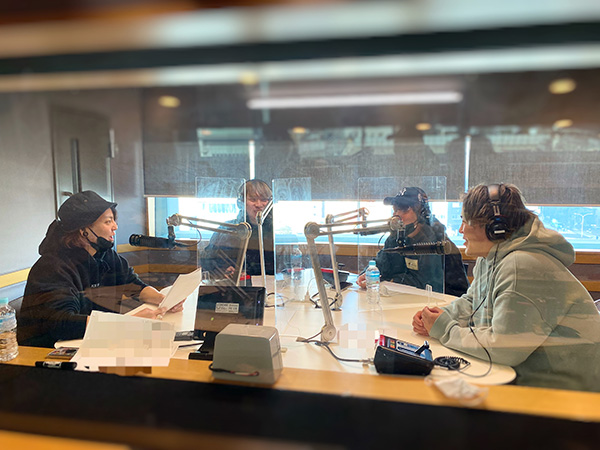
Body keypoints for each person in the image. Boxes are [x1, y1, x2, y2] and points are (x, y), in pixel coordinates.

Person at [412, 183, 600, 391]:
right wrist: (438, 317)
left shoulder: (521, 266)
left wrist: (445, 329)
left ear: (494, 227)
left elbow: (503, 347)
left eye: (465, 221)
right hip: (532, 375)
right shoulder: (490, 257)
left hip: (571, 391)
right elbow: (473, 302)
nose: (460, 230)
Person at [19, 191, 183, 348]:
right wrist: (128, 324)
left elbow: (134, 285)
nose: (115, 227)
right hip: (46, 354)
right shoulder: (52, 267)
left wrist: (163, 301)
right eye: (108, 222)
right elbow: (63, 323)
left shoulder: (106, 255)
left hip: (92, 342)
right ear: (83, 230)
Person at [357, 187, 469, 297]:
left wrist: (392, 280)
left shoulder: (433, 243)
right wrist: (368, 274)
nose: (397, 215)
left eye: (404, 209)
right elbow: (381, 263)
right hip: (407, 299)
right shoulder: (396, 237)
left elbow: (426, 284)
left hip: (444, 302)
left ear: (421, 213)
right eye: (395, 210)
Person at [200, 179, 275, 279]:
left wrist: (248, 272)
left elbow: (281, 266)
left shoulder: (275, 232)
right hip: (234, 285)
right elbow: (207, 259)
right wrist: (223, 269)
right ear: (242, 202)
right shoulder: (227, 229)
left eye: (264, 200)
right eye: (253, 200)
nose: (258, 205)